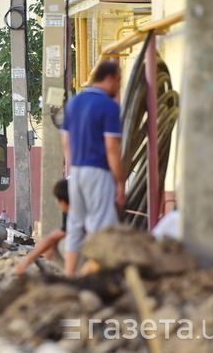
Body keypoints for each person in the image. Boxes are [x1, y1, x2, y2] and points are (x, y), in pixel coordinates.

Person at [61, 60, 125, 277]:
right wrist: (120, 183)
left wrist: (73, 166)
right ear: (110, 78)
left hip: (76, 171)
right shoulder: (109, 106)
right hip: (98, 171)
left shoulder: (75, 102)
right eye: (118, 80)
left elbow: (65, 140)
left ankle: (70, 276)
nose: (119, 85)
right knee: (102, 228)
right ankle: (94, 275)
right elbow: (112, 148)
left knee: (75, 225)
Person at [16, 179, 70, 276]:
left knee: (64, 244)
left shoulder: (77, 214)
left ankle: (74, 275)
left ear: (62, 202)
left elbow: (54, 236)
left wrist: (26, 260)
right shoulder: (70, 213)